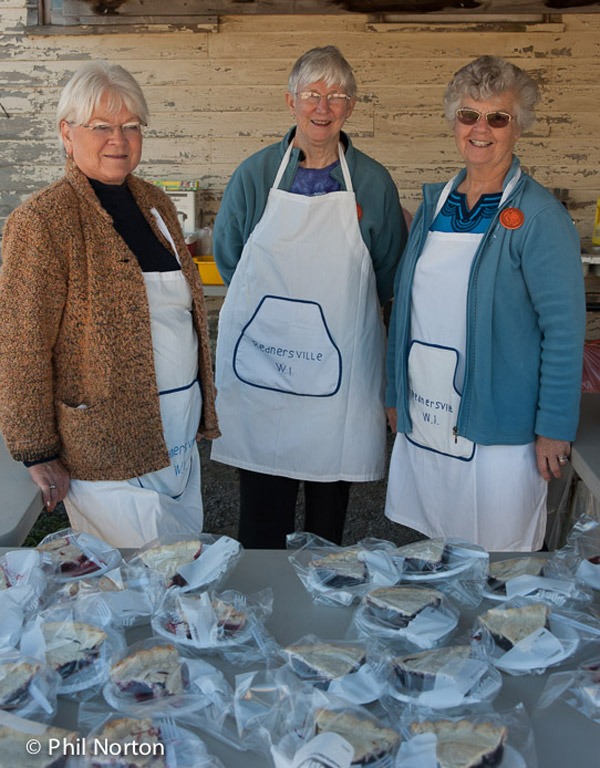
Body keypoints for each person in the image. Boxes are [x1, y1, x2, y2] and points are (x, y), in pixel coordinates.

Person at [0, 60, 219, 548]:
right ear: (67, 132)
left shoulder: (156, 204)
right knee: (130, 579)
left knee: (178, 565)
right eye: (101, 126)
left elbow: (179, 316)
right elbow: (21, 345)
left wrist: (201, 405)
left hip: (176, 426)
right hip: (106, 440)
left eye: (130, 126)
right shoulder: (43, 222)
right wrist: (35, 450)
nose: (118, 139)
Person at [385, 55, 585, 552]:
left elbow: (564, 330)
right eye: (469, 114)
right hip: (428, 408)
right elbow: (405, 306)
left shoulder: (539, 217)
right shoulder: (434, 205)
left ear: (519, 128)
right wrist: (394, 394)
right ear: (454, 121)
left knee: (499, 566)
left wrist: (554, 428)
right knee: (436, 552)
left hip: (501, 429)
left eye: (498, 117)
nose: (481, 129)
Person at [211, 45, 407, 549]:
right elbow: (231, 257)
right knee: (261, 511)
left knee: (327, 521)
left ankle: (322, 610)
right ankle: (255, 602)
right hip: (265, 368)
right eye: (312, 94)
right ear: (290, 100)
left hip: (338, 371)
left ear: (352, 106)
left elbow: (387, 270)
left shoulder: (372, 181)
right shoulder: (256, 174)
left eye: (337, 95)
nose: (323, 107)